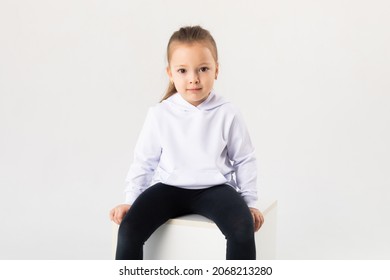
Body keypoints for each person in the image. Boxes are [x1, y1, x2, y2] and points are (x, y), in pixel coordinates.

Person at [109, 25, 264, 260]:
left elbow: (244, 159)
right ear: (170, 73)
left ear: (216, 70)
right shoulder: (159, 113)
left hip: (215, 190)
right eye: (182, 70)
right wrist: (131, 201)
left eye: (203, 69)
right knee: (129, 230)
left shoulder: (227, 112)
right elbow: (144, 161)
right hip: (168, 189)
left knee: (242, 229)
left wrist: (250, 203)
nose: (193, 78)